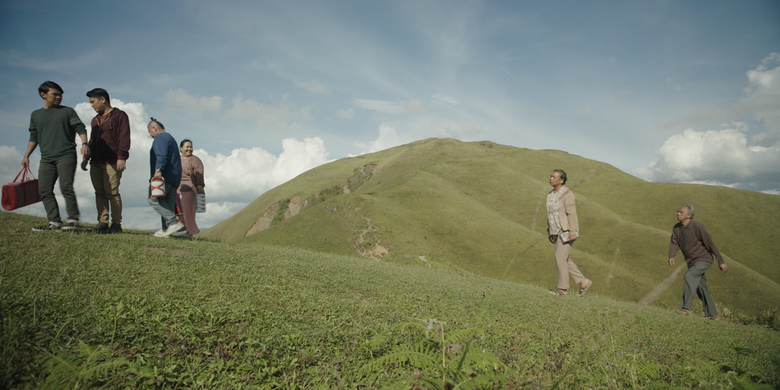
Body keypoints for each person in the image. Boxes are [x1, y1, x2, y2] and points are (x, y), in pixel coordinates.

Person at [21, 81, 89, 231]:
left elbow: (80, 128)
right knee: (44, 190)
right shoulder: (36, 115)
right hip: (46, 158)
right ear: (43, 95)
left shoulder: (67, 111)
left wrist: (85, 144)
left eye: (60, 95)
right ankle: (54, 221)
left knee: (66, 187)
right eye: (55, 94)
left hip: (66, 155)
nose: (59, 97)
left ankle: (73, 220)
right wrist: (26, 155)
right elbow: (34, 137)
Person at [83, 88, 131, 234]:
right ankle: (102, 222)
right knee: (99, 192)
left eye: (93, 102)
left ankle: (116, 224)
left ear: (102, 99)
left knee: (112, 192)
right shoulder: (94, 120)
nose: (91, 105)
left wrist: (121, 157)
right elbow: (92, 140)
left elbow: (124, 137)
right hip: (96, 161)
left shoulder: (119, 116)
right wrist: (86, 158)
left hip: (112, 160)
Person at [668, 204, 728, 320]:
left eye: (681, 212)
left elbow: (710, 244)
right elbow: (674, 243)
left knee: (689, 276)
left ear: (689, 215)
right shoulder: (676, 228)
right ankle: (713, 315)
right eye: (678, 212)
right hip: (691, 262)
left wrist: (721, 261)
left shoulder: (698, 227)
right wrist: (671, 255)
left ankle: (685, 308)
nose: (678, 214)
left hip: (703, 260)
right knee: (701, 288)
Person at [546, 169, 592, 296]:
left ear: (561, 180)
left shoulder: (567, 193)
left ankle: (562, 289)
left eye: (554, 177)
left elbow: (571, 213)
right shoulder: (550, 194)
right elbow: (550, 214)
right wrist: (549, 230)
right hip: (555, 232)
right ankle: (583, 282)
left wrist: (573, 231)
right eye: (550, 176)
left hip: (565, 231)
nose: (551, 179)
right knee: (564, 258)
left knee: (560, 257)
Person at [147, 118, 184, 237]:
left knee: (154, 199)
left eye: (149, 131)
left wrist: (158, 170)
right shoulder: (171, 138)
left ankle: (173, 223)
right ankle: (166, 229)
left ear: (154, 128)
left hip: (164, 176)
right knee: (167, 203)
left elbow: (161, 154)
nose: (150, 134)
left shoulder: (160, 138)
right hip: (174, 178)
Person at [177, 139, 205, 237]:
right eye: (187, 147)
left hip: (189, 190)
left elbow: (199, 173)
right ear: (181, 148)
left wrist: (200, 185)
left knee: (187, 212)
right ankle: (179, 231)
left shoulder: (195, 160)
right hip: (177, 190)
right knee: (177, 212)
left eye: (191, 147)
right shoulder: (177, 159)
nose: (189, 149)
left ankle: (189, 233)